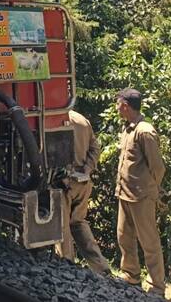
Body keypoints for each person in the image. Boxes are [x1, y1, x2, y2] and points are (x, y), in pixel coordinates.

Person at [115, 88, 167, 297]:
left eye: (118, 103)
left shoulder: (144, 131)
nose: (117, 107)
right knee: (124, 237)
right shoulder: (128, 128)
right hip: (125, 193)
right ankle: (131, 276)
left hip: (141, 196)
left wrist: (152, 190)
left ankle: (156, 286)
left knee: (149, 242)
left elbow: (158, 167)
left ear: (125, 106)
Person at [56, 110, 111, 275]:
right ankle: (102, 268)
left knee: (62, 227)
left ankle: (67, 267)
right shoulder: (82, 119)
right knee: (79, 223)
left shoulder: (55, 118)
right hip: (82, 181)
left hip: (64, 183)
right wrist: (86, 169)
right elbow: (95, 147)